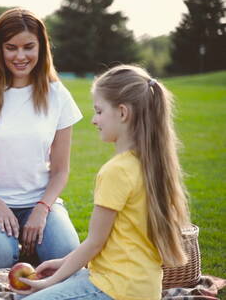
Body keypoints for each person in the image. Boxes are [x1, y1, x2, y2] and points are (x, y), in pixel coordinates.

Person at [17, 65, 191, 300]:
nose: (93, 120)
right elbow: (104, 243)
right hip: (141, 288)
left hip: (114, 289)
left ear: (122, 113)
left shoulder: (116, 171)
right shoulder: (150, 165)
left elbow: (94, 243)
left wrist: (49, 281)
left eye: (99, 111)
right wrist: (63, 263)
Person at [0, 7, 81, 269]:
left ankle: (31, 250)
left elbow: (61, 170)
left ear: (41, 47)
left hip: (39, 202)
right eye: (11, 47)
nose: (20, 56)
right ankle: (12, 252)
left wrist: (43, 208)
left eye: (28, 47)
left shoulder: (57, 94)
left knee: (66, 255)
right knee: (0, 257)